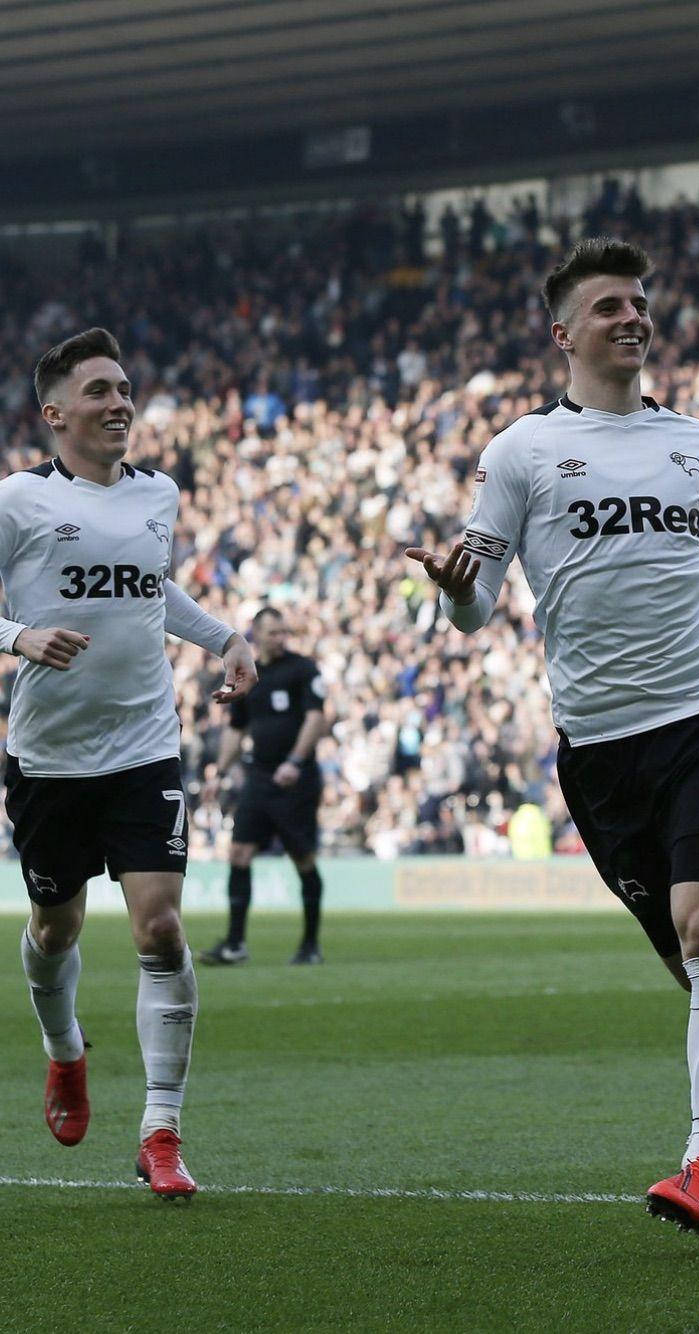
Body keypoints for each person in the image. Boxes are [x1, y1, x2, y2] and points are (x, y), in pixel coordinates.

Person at [407, 236, 699, 1237]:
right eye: (609, 306)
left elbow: (693, 572)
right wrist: (460, 597)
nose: (632, 315)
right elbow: (474, 609)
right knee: (697, 958)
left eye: (639, 301)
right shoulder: (517, 452)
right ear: (564, 332)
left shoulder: (694, 441)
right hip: (599, 748)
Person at [1, 328, 257, 1199]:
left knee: (159, 928)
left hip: (145, 745)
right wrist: (20, 635)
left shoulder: (159, 493)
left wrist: (224, 637)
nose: (121, 404)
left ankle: (161, 1131)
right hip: (48, 758)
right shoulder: (19, 502)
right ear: (55, 412)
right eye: (101, 391)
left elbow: (154, 589)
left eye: (125, 389)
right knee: (54, 930)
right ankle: (65, 1052)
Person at [199, 607, 328, 967]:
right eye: (272, 632)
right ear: (255, 634)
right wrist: (220, 773)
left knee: (303, 859)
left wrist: (295, 762)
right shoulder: (249, 675)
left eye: (283, 631)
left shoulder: (303, 670)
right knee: (239, 854)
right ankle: (235, 944)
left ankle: (310, 945)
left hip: (295, 782)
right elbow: (236, 729)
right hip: (259, 779)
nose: (280, 638)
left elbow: (317, 719)